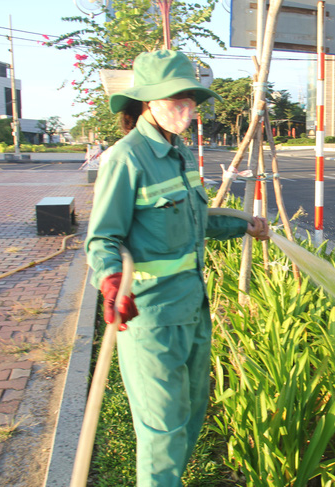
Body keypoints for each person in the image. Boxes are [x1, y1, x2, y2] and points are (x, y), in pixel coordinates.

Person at [85, 49, 269, 486]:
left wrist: (243, 226)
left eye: (190, 102)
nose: (186, 112)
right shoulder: (127, 158)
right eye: (175, 102)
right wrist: (112, 281)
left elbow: (194, 222)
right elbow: (102, 238)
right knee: (163, 428)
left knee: (188, 415)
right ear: (147, 102)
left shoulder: (181, 153)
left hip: (193, 307)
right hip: (150, 316)